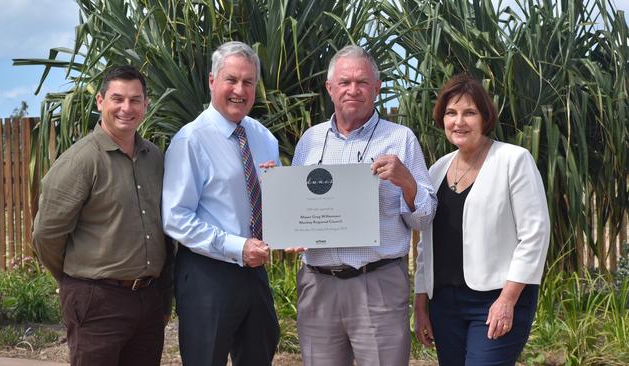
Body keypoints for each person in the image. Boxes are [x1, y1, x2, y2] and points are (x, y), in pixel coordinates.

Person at [290, 45, 437, 366]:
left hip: (377, 284)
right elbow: (300, 213)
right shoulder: (310, 141)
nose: (353, 90)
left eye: (362, 82)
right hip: (318, 286)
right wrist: (290, 229)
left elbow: (424, 219)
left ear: (377, 88)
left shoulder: (400, 139)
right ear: (330, 89)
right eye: (344, 82)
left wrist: (407, 182)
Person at [33, 65, 173, 366]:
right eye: (117, 98)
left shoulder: (155, 159)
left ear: (146, 105)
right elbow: (46, 235)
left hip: (148, 299)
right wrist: (75, 282)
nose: (127, 108)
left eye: (135, 100)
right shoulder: (80, 162)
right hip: (96, 300)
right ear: (100, 102)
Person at [413, 74, 550, 365]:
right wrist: (421, 305)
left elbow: (535, 235)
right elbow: (427, 245)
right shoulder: (437, 170)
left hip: (496, 299)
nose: (459, 121)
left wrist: (507, 300)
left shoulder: (514, 160)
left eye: (469, 113)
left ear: (485, 118)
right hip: (445, 305)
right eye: (451, 113)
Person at [162, 41, 280, 366]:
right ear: (212, 81)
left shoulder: (264, 138)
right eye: (231, 79)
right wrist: (237, 247)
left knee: (259, 357)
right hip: (206, 276)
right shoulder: (191, 140)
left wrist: (292, 229)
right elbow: (176, 218)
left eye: (248, 82)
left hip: (254, 275)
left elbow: (277, 205)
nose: (239, 90)